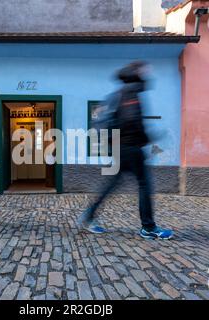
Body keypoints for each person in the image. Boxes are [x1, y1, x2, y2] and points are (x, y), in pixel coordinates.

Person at [77, 61, 173, 240]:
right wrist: (147, 138)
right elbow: (132, 120)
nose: (148, 71)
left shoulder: (120, 93)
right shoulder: (131, 92)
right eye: (144, 69)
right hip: (130, 147)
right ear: (136, 72)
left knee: (113, 183)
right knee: (144, 184)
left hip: (121, 147)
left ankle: (88, 217)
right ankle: (148, 227)